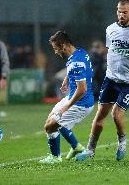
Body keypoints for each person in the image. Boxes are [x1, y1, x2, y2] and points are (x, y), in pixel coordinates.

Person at [76, 0, 129, 161]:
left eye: (124, 12)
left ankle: (122, 142)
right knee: (100, 115)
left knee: (116, 114)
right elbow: (112, 51)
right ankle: (90, 150)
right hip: (111, 79)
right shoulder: (110, 29)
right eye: (119, 11)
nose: (121, 15)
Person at [39, 31, 94, 163]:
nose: (55, 52)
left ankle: (55, 157)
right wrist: (67, 79)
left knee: (50, 127)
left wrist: (66, 108)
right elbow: (80, 70)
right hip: (73, 98)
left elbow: (82, 89)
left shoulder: (76, 63)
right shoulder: (80, 52)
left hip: (80, 104)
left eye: (55, 48)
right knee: (50, 121)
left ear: (63, 45)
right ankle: (76, 147)